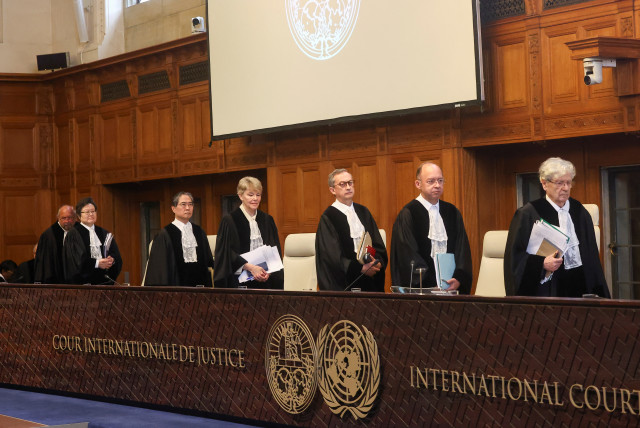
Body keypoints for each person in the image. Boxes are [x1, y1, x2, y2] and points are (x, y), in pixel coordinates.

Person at [504, 157, 610, 298]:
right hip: (546, 291)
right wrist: (541, 264)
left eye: (568, 182)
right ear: (544, 183)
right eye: (560, 183)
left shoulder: (580, 212)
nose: (566, 188)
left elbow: (592, 259)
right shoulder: (528, 214)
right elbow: (515, 259)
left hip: (580, 288)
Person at [390, 162, 472, 293]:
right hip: (423, 291)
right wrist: (429, 284)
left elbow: (462, 250)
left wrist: (458, 277)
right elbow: (407, 255)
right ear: (418, 184)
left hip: (451, 287)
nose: (437, 185)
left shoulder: (452, 212)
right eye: (431, 181)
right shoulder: (409, 213)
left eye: (440, 180)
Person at [315, 169, 387, 292]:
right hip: (346, 284)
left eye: (350, 183)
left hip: (370, 279)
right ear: (332, 190)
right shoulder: (329, 217)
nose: (348, 187)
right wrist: (359, 268)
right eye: (342, 184)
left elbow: (377, 243)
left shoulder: (363, 212)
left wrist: (377, 262)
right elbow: (332, 257)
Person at [214, 177, 283, 289]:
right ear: (241, 196)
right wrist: (251, 268)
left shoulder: (267, 220)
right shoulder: (229, 221)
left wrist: (268, 271)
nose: (255, 198)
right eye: (250, 195)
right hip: (239, 282)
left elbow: (275, 249)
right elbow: (226, 253)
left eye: (258, 195)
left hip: (265, 280)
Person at [145, 192, 214, 287]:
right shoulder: (164, 234)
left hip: (200, 289)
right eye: (183, 204)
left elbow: (209, 260)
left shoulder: (199, 232)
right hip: (176, 290)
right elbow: (159, 271)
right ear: (173, 208)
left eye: (190, 204)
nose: (187, 208)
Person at [63, 197, 122, 285]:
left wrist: (111, 260)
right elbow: (75, 260)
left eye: (93, 211)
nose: (91, 214)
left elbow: (116, 254)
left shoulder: (104, 233)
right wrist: (97, 263)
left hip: (104, 284)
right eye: (87, 212)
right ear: (79, 215)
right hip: (84, 287)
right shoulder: (73, 234)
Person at [34, 205, 76, 284]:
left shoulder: (80, 230)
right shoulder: (49, 236)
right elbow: (43, 263)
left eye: (70, 218)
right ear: (58, 218)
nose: (67, 221)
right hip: (56, 280)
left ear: (75, 218)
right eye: (64, 218)